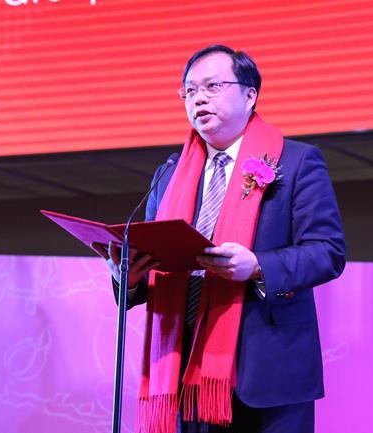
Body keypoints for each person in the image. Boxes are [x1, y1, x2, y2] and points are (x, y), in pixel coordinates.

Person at [107, 45, 346, 433]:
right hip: (184, 369)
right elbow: (156, 262)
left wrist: (258, 266)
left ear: (250, 96)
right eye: (189, 91)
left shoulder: (297, 162)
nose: (199, 98)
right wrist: (130, 280)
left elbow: (328, 252)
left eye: (212, 86)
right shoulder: (169, 175)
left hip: (267, 369)